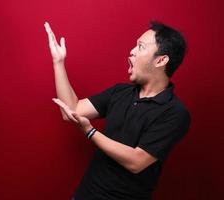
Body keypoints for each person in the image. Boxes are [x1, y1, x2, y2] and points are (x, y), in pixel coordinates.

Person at [44, 21, 190, 200]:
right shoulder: (120, 92)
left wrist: (89, 131)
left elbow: (137, 161)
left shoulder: (174, 113)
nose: (132, 51)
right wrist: (58, 63)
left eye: (140, 46)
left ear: (161, 60)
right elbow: (73, 109)